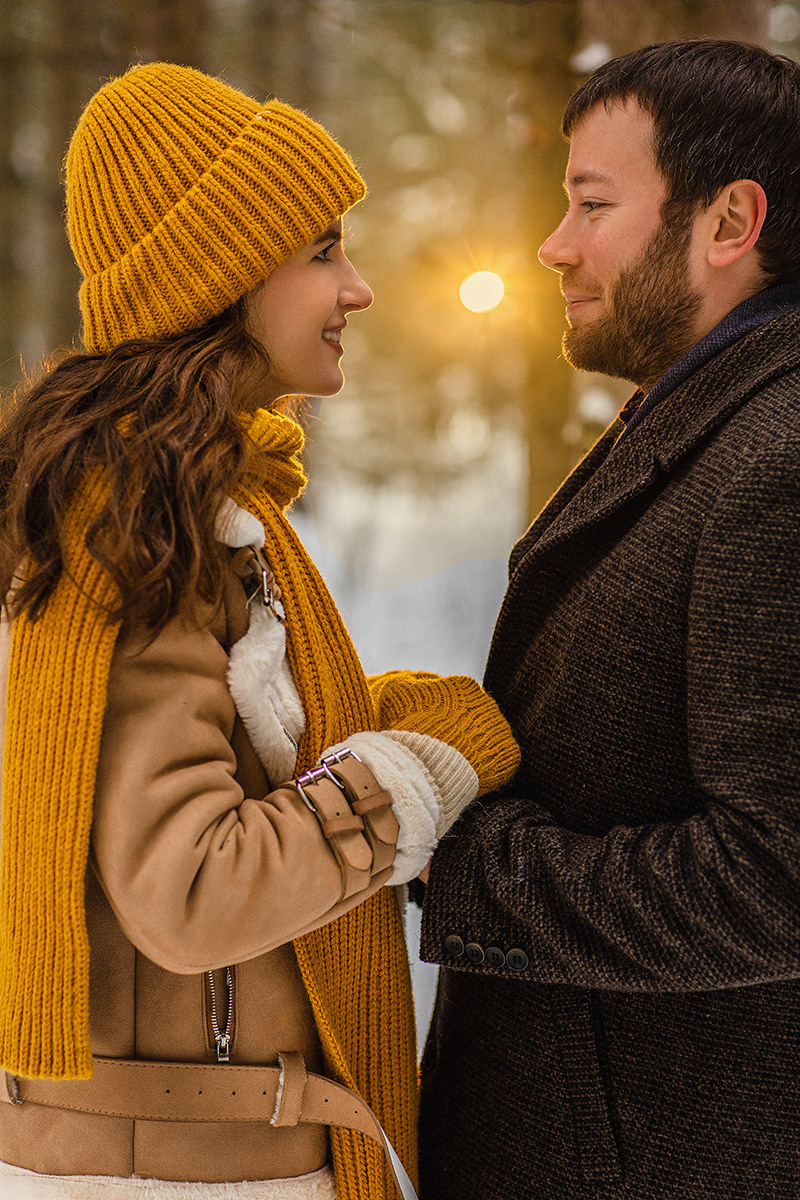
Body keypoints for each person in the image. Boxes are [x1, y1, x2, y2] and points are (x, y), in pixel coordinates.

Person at [0, 63, 520, 1200]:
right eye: (322, 252)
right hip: (190, 1177)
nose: (357, 289)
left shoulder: (180, 496)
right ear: (221, 277)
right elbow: (189, 888)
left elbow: (215, 746)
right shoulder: (142, 516)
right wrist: (416, 768)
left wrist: (371, 717)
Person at [417, 38, 800, 1200]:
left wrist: (458, 856)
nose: (554, 245)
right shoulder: (701, 413)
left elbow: (773, 882)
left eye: (591, 204)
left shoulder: (777, 458)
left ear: (727, 222)